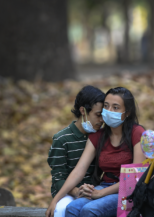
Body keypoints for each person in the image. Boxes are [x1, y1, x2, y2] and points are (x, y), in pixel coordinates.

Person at [45, 87, 146, 217]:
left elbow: (135, 178)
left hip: (128, 191)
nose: (109, 111)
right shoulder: (98, 135)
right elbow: (79, 170)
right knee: (72, 208)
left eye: (115, 107)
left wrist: (101, 193)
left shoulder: (137, 133)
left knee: (90, 210)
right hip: (104, 186)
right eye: (106, 106)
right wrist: (56, 199)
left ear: (127, 112)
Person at [47, 85, 105, 217]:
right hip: (67, 193)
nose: (102, 120)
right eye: (98, 115)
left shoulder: (101, 137)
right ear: (83, 110)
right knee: (61, 210)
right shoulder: (61, 139)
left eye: (103, 116)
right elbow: (58, 178)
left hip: (95, 191)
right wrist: (77, 191)